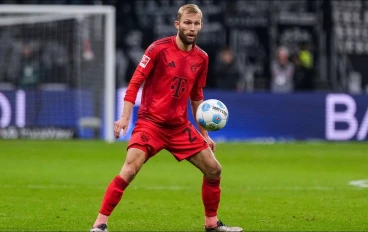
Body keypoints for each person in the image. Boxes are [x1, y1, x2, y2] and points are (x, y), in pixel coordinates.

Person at [90, 4, 243, 232]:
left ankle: (212, 224)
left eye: (196, 23)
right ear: (177, 25)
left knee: (214, 169)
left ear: (201, 25)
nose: (191, 28)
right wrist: (124, 118)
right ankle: (99, 224)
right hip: (150, 124)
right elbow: (135, 82)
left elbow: (197, 96)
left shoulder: (202, 58)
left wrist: (204, 134)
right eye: (187, 23)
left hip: (179, 127)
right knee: (130, 169)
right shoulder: (158, 49)